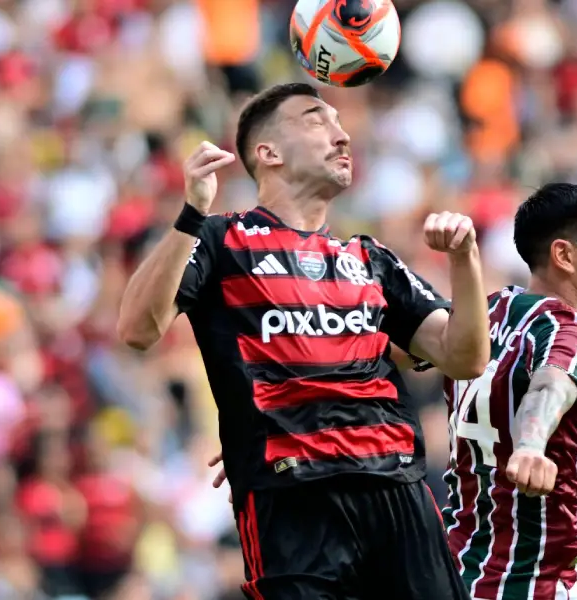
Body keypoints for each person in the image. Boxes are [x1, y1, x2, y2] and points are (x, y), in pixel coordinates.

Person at [117, 82, 488, 600]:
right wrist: (191, 214)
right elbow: (137, 329)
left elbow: (465, 357)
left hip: (395, 488)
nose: (342, 136)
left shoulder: (369, 258)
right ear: (268, 153)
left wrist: (465, 260)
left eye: (340, 123)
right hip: (290, 500)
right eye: (317, 120)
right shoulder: (221, 241)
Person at [440, 182, 577, 600]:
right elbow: (551, 385)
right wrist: (530, 445)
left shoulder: (483, 316)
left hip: (454, 573)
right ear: (564, 255)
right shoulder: (571, 332)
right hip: (528, 583)